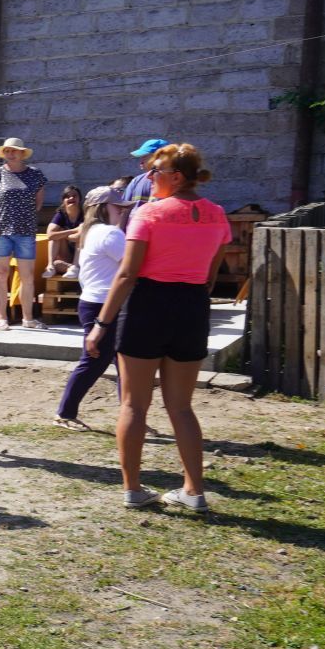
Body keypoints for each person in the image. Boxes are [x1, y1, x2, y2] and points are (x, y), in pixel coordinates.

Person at [85, 143, 232, 510]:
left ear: (176, 176)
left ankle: (133, 489)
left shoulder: (149, 215)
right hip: (192, 307)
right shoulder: (217, 214)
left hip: (147, 307)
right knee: (182, 407)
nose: (149, 178)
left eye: (156, 172)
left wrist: (101, 323)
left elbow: (127, 273)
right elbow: (211, 277)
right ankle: (194, 491)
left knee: (134, 405)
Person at [53, 185, 130, 429]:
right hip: (104, 304)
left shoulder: (91, 232)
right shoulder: (109, 234)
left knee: (119, 360)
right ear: (103, 208)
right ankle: (65, 413)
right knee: (96, 360)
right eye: (117, 206)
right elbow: (133, 266)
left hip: (94, 302)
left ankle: (131, 415)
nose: (122, 211)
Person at [0, 139, 47, 331]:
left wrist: (24, 216)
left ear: (22, 153)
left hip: (25, 230)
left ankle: (28, 318)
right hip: (0, 230)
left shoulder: (36, 175)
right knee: (1, 274)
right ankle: (2, 318)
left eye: (15, 151)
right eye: (7, 151)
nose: (11, 154)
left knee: (27, 275)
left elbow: (39, 202)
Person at [45, 184, 85, 276]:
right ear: (63, 201)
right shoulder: (61, 215)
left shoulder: (84, 214)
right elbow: (50, 235)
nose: (71, 198)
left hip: (81, 254)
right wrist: (73, 230)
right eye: (67, 196)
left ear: (79, 199)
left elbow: (78, 237)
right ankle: (50, 266)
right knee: (56, 264)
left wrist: (62, 234)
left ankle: (75, 267)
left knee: (80, 237)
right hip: (66, 254)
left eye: (74, 196)